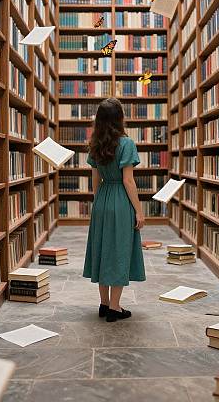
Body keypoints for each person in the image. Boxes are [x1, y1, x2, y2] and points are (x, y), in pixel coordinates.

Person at [83, 97, 146, 322]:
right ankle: (115, 307)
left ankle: (103, 303)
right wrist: (138, 211)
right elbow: (128, 181)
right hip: (120, 200)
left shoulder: (95, 144)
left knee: (101, 249)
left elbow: (95, 181)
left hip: (102, 200)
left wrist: (99, 202)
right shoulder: (126, 144)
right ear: (120, 119)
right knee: (119, 251)